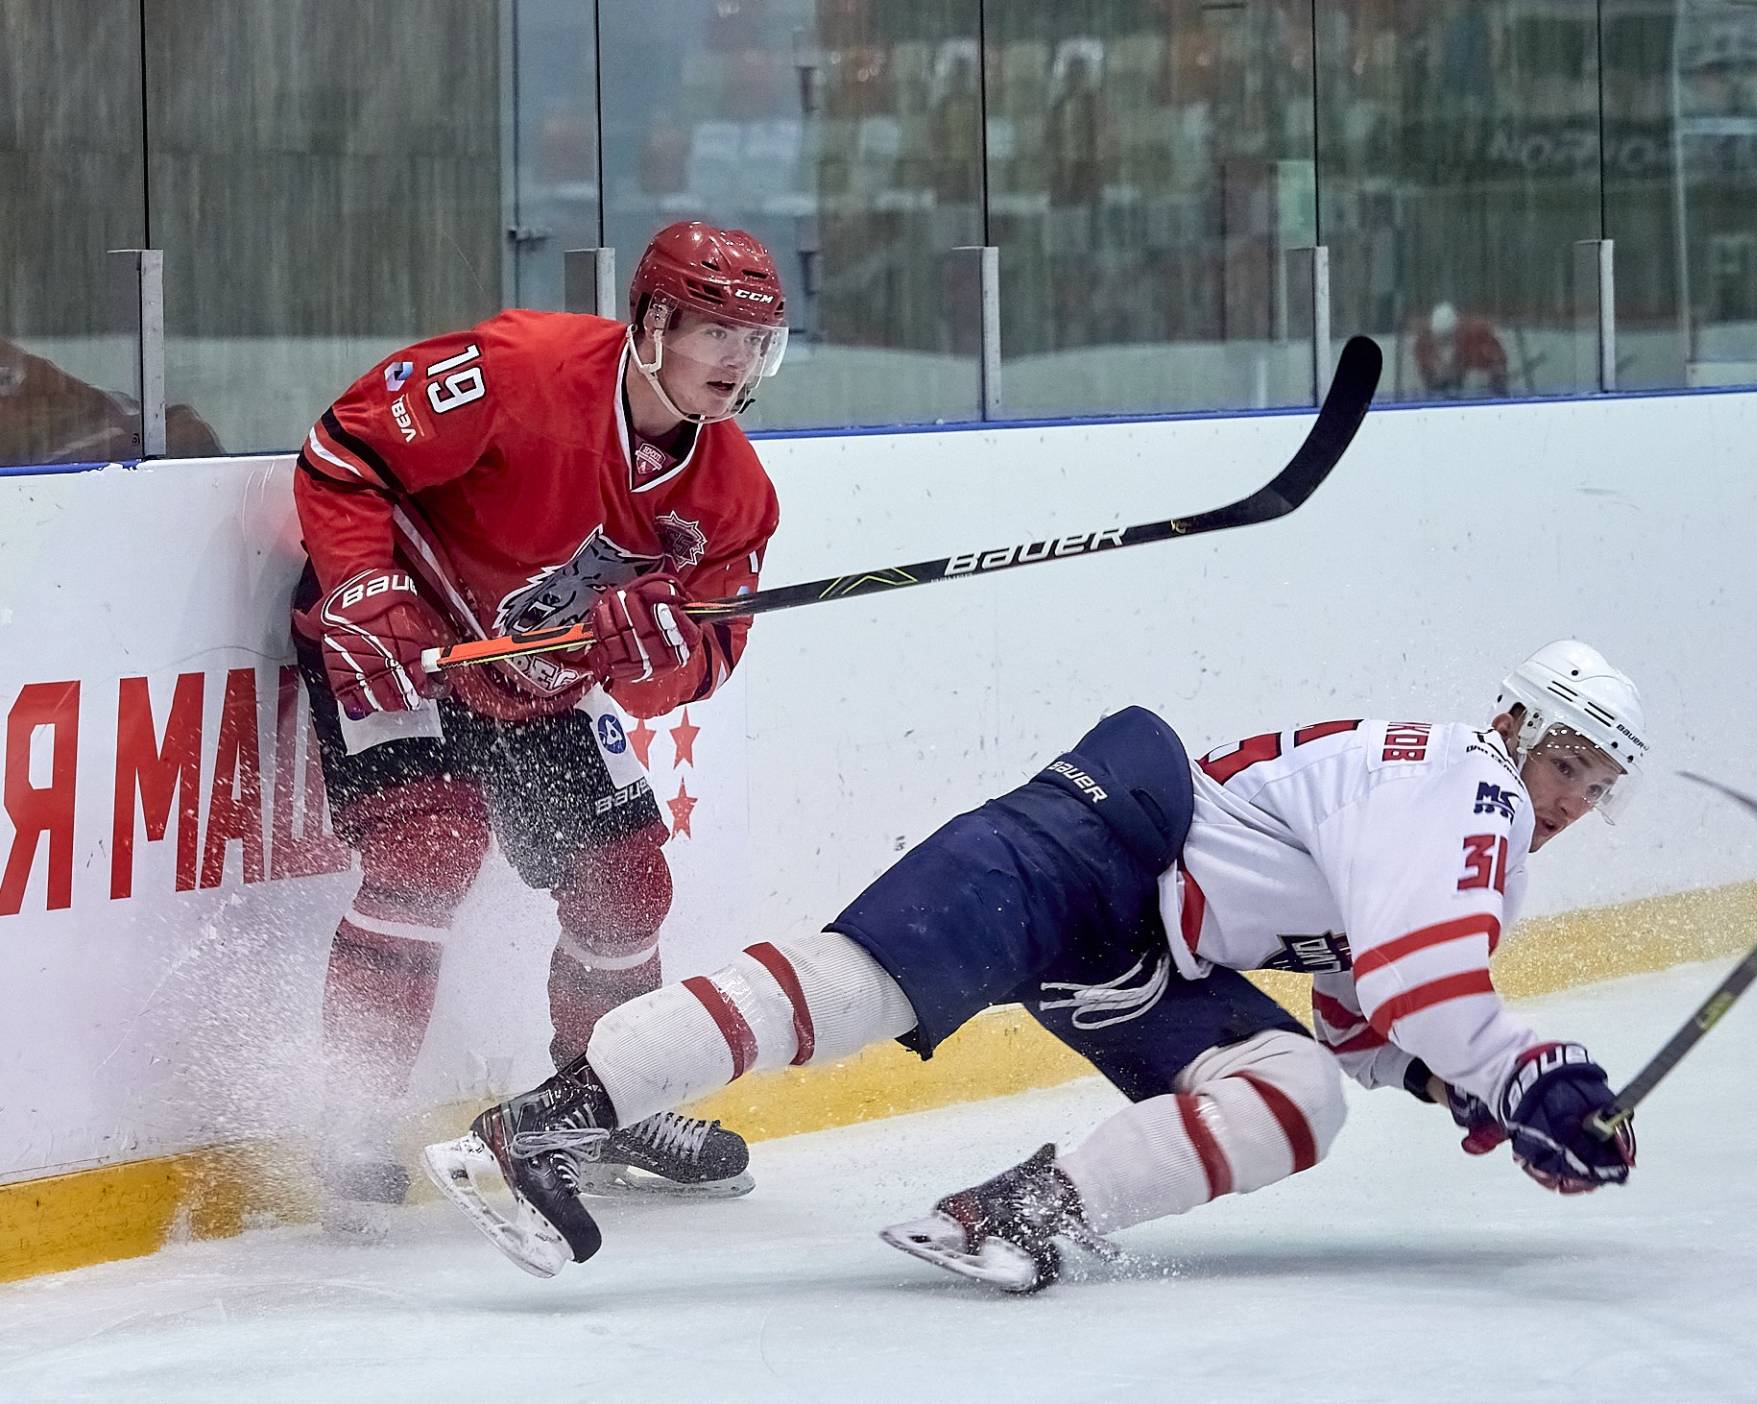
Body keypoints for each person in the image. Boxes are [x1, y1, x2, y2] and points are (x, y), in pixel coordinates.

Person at [423, 640, 1646, 1287]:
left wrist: (1462, 1084)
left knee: (1301, 1090)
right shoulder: (1467, 783)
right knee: (856, 984)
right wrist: (1533, 1076)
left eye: (1598, 784)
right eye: (1567, 764)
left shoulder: (1468, 816)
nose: (1574, 798)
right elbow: (1424, 986)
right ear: (1517, 725)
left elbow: (1363, 1013)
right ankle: (547, 1122)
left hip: (1148, 947)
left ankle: (1025, 1213)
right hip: (1100, 839)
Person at [291, 221, 788, 1220]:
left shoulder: (734, 498)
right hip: (410, 640)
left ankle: (595, 1106)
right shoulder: (523, 368)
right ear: (652, 322)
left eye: (757, 341)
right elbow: (344, 453)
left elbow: (701, 668)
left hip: (538, 682)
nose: (739, 365)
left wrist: (654, 660)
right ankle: (347, 1117)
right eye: (716, 334)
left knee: (629, 880)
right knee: (428, 851)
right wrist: (362, 584)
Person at [1414, 301, 1510, 399]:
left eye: (1448, 337)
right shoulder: (1423, 345)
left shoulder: (1478, 337)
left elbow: (1498, 366)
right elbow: (1427, 376)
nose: (1444, 342)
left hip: (1482, 395)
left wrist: (1487, 378)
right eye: (1440, 339)